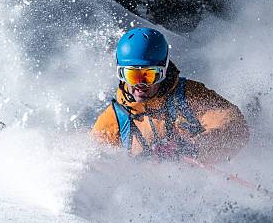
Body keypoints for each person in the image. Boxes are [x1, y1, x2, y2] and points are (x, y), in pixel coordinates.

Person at [91, 27, 249, 164]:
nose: (140, 85)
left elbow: (236, 127)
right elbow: (94, 156)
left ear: (163, 71)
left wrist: (193, 147)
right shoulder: (116, 119)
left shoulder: (188, 96)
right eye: (132, 75)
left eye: (149, 75)